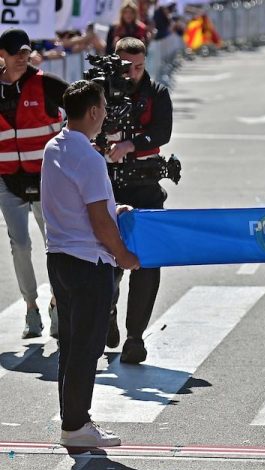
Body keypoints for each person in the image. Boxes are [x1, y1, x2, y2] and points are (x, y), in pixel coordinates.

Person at [42, 80, 140, 448]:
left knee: (71, 345)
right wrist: (124, 256)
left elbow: (80, 206)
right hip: (88, 263)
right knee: (86, 347)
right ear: (95, 111)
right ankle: (76, 424)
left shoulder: (55, 146)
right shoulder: (89, 156)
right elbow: (98, 221)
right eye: (103, 107)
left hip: (60, 258)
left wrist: (115, 211)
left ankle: (74, 419)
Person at [104, 36, 174, 364]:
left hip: (145, 188)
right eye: (126, 66)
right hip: (107, 187)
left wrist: (131, 143)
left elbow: (162, 132)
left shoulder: (157, 93)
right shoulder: (98, 92)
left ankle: (135, 337)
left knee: (146, 261)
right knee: (105, 258)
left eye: (139, 66)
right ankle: (107, 311)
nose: (132, 73)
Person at [0, 28, 67, 338]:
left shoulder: (45, 83)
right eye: (16, 53)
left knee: (54, 246)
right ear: (2, 55)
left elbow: (85, 106)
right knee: (20, 246)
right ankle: (31, 309)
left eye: (26, 52)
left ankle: (57, 303)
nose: (22, 58)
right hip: (7, 181)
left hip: (45, 179)